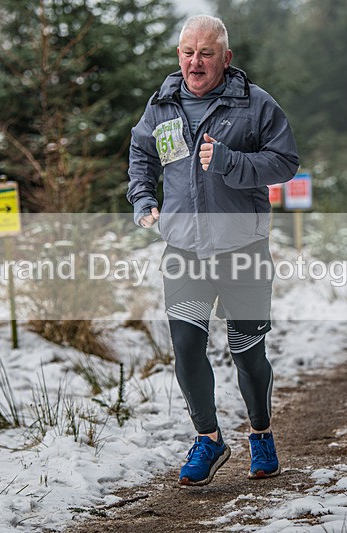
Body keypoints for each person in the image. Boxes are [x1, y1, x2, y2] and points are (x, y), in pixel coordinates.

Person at [127, 15, 299, 486]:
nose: (195, 62)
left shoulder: (255, 104)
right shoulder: (161, 105)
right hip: (183, 249)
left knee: (248, 353)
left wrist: (231, 162)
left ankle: (260, 434)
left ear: (226, 58)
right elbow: (141, 155)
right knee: (186, 347)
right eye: (187, 52)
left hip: (243, 248)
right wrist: (144, 199)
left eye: (206, 53)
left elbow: (285, 161)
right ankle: (209, 439)